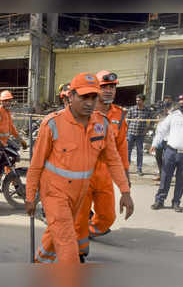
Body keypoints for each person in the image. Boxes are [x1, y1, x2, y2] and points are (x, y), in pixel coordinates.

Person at [25, 72, 133, 263]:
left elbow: (113, 159)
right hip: (54, 193)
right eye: (84, 97)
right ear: (71, 96)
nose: (89, 102)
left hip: (79, 195)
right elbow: (36, 165)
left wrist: (125, 191)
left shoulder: (102, 124)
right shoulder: (52, 124)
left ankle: (40, 262)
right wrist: (30, 196)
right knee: (68, 250)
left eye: (93, 97)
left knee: (54, 238)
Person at [74, 70, 133, 261]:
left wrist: (126, 181)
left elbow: (122, 149)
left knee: (108, 217)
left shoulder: (120, 115)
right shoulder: (83, 111)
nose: (109, 91)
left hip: (105, 174)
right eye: (104, 87)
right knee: (80, 217)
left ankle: (89, 231)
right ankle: (79, 251)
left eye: (112, 87)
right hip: (82, 173)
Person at [126, 93, 152, 176]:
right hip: (131, 133)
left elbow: (149, 122)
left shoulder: (147, 110)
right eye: (136, 100)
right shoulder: (132, 109)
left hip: (141, 134)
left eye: (139, 100)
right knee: (128, 151)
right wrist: (126, 131)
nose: (137, 101)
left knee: (139, 152)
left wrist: (146, 130)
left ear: (143, 101)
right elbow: (127, 120)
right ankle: (126, 168)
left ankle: (139, 169)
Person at [153, 95, 174, 181]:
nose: (166, 103)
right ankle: (161, 173)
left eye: (168, 101)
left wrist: (168, 112)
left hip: (169, 138)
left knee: (167, 158)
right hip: (159, 137)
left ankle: (167, 175)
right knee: (158, 156)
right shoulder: (160, 111)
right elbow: (155, 119)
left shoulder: (174, 112)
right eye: (165, 101)